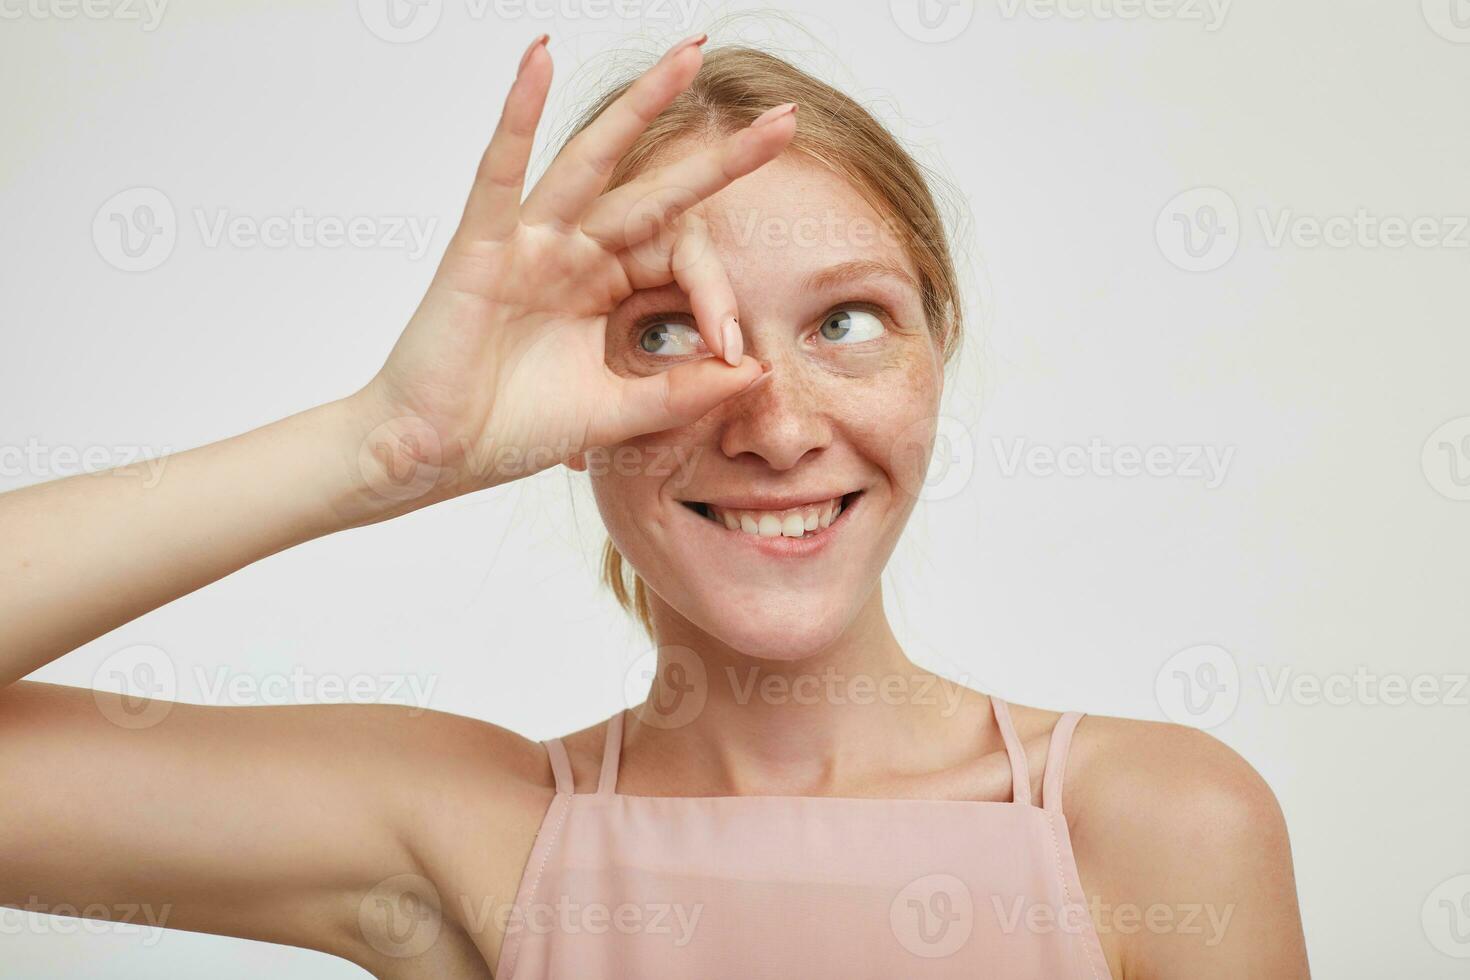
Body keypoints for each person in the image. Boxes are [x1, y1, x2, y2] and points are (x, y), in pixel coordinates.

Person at [0, 33, 1310, 979]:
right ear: (561, 406)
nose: (778, 421)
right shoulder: (473, 831)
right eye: (670, 335)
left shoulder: (1158, 824)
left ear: (935, 351)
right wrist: (383, 445)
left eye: (847, 321)